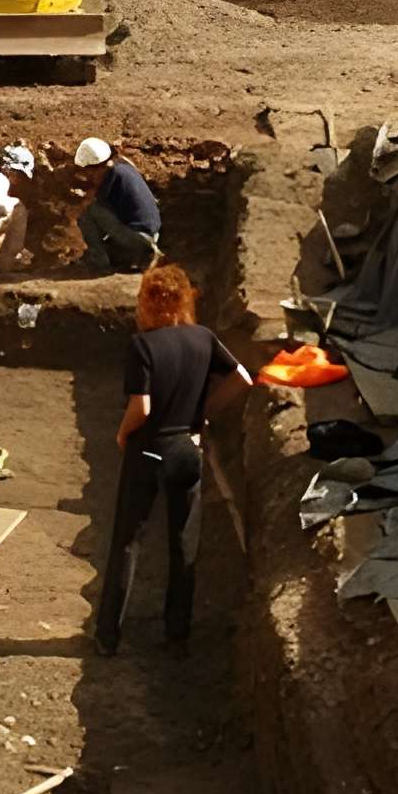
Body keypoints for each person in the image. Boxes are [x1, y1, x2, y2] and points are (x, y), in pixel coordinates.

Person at [93, 262, 251, 654]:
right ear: (186, 301)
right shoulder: (204, 338)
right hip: (186, 447)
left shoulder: (142, 346)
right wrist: (205, 412)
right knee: (183, 543)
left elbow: (142, 407)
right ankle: (177, 635)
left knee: (128, 540)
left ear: (147, 302)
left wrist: (122, 433)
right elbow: (244, 377)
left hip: (147, 448)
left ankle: (108, 636)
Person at [73, 137, 161, 273]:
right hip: (150, 235)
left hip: (139, 237)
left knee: (87, 213)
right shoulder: (124, 167)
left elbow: (96, 210)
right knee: (108, 247)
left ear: (95, 168)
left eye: (88, 171)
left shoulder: (111, 176)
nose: (88, 176)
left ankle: (99, 264)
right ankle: (140, 257)